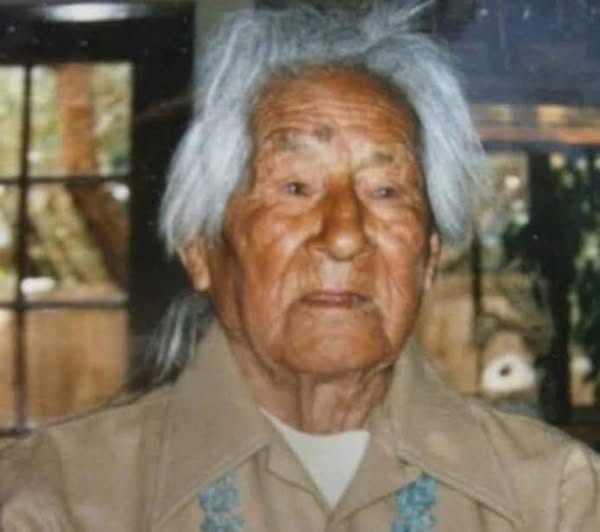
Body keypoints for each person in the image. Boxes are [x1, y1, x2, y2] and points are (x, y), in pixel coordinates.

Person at [1, 2, 599, 531]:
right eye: (294, 187)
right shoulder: (54, 498)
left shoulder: (555, 500)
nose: (344, 235)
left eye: (386, 191)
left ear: (428, 259)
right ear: (200, 247)